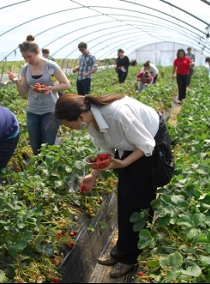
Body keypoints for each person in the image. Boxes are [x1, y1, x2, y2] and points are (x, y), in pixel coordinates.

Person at [53, 93, 164, 278]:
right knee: (126, 199)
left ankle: (131, 259)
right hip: (131, 147)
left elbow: (146, 144)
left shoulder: (117, 114)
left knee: (139, 203)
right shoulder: (90, 120)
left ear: (79, 117)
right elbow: (105, 149)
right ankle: (122, 252)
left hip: (149, 146)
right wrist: (93, 175)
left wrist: (124, 163)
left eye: (67, 125)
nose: (69, 129)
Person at [8, 34, 70, 156]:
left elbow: (66, 84)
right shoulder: (25, 69)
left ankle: (47, 169)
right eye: (24, 57)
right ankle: (39, 169)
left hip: (50, 110)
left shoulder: (50, 65)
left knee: (47, 145)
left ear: (37, 52)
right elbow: (24, 92)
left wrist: (50, 88)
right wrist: (16, 81)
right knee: (35, 146)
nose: (27, 60)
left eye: (29, 56)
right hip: (32, 111)